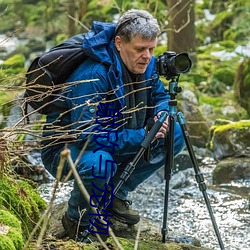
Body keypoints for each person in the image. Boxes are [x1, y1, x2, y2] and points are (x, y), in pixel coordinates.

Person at [41, 9, 185, 241]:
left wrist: (161, 114)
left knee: (175, 132)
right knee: (101, 163)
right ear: (119, 43)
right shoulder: (93, 75)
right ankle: (77, 219)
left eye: (152, 49)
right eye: (140, 49)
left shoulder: (145, 64)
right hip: (68, 150)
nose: (147, 56)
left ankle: (115, 194)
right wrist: (142, 135)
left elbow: (159, 96)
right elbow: (88, 136)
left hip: (116, 137)